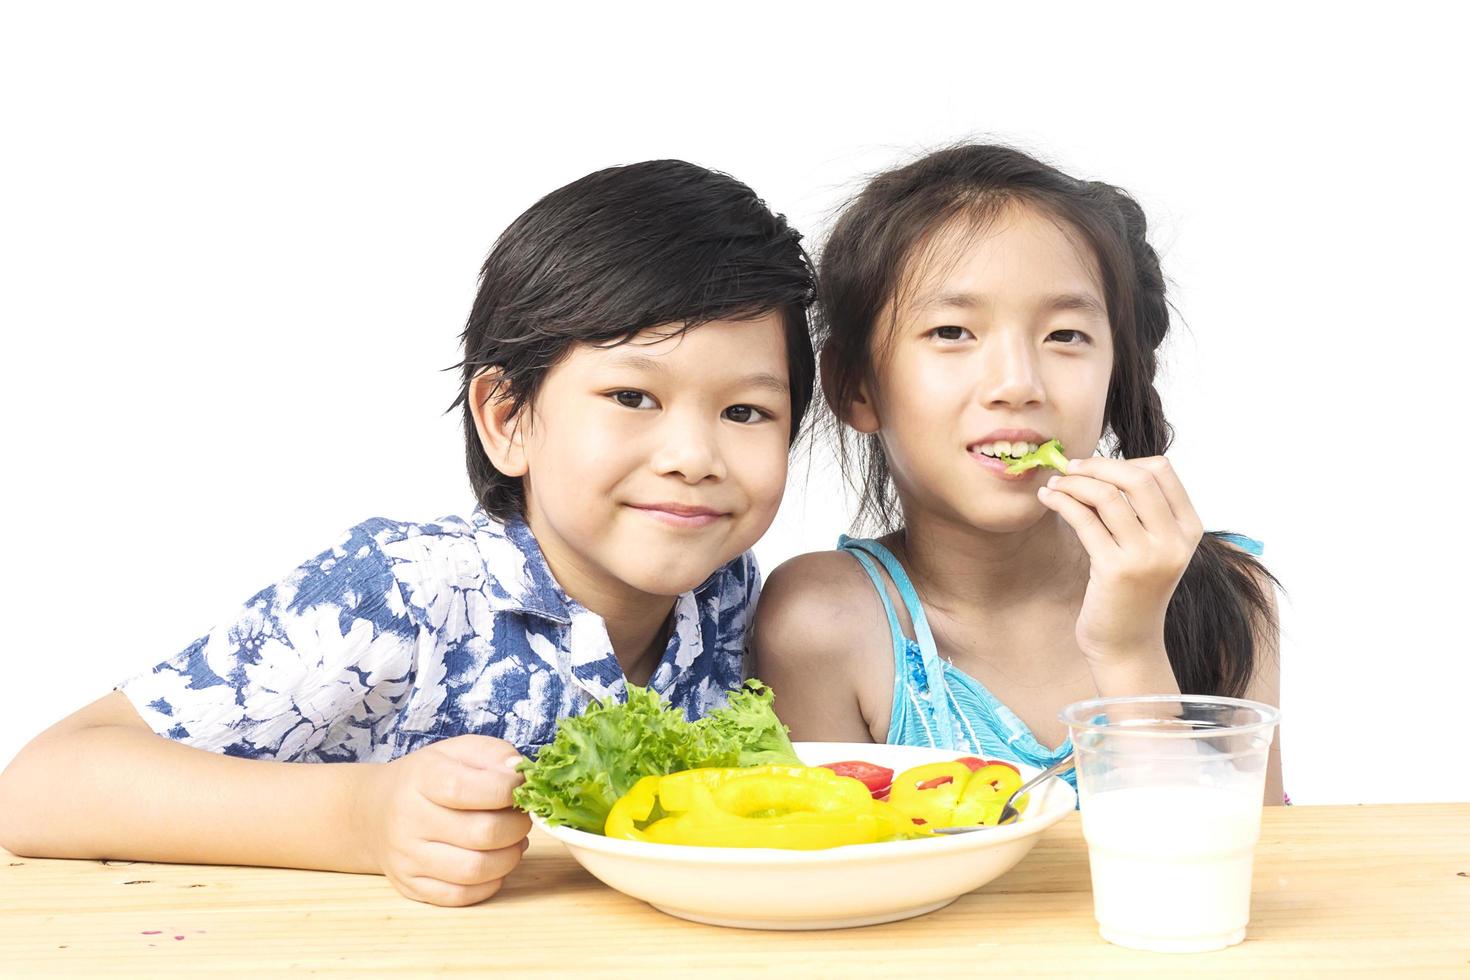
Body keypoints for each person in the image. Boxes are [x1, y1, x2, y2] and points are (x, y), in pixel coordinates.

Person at [0, 159, 817, 903]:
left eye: (746, 411)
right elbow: (42, 786)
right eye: (633, 397)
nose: (693, 457)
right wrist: (365, 816)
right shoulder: (404, 587)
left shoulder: (729, 597)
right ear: (507, 418)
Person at [754, 143, 1283, 803]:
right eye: (952, 332)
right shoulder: (822, 623)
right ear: (856, 386)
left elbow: (1215, 881)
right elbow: (835, 881)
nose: (1016, 384)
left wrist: (1130, 645)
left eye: (1065, 336)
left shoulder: (1224, 595)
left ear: (1117, 377)